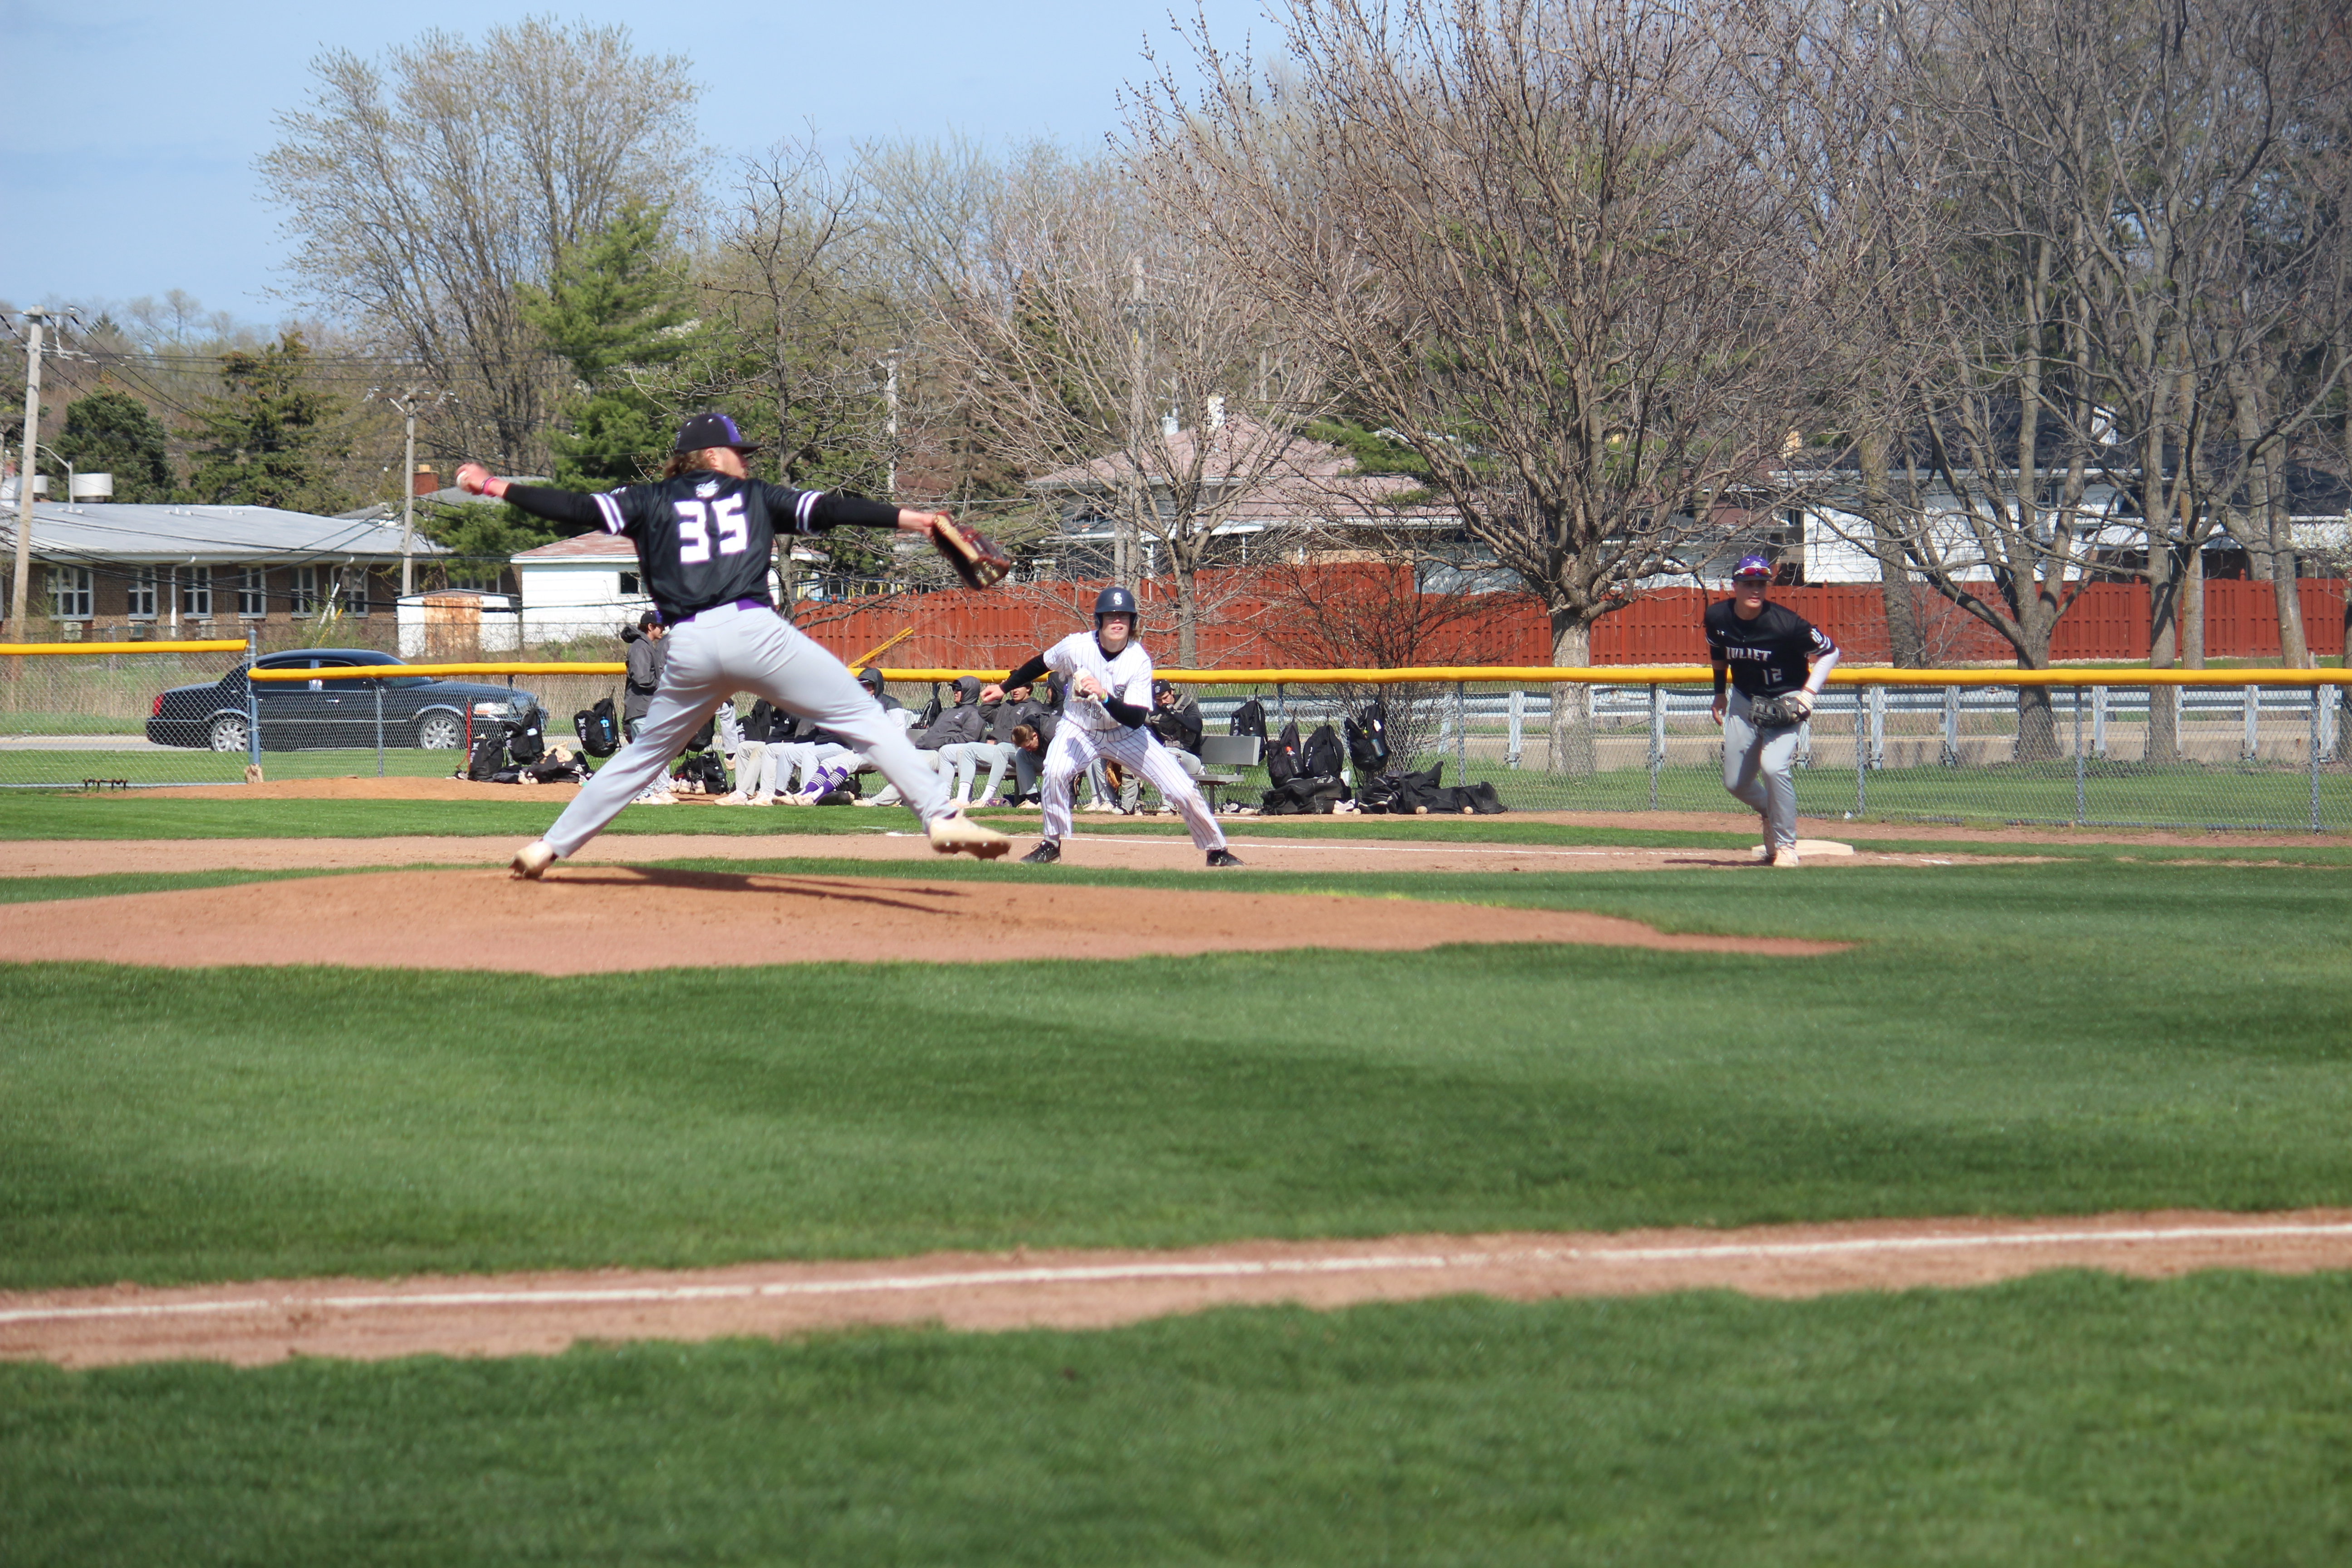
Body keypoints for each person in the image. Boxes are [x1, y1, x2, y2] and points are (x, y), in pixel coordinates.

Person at [462, 412, 1010, 875]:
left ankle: (549, 846)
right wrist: (913, 519)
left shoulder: (647, 500)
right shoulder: (754, 495)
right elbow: (832, 510)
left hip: (691, 643)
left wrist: (493, 486)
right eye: (738, 452)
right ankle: (939, 816)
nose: (746, 460)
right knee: (862, 718)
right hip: (756, 632)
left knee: (646, 754)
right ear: (712, 456)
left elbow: (573, 509)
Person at [984, 585, 1241, 868]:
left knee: (1182, 789)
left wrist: (1105, 695)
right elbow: (1040, 664)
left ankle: (1216, 851)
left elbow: (1134, 718)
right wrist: (1004, 687)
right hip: (1079, 727)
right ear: (1100, 621)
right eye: (1110, 616)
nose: (1117, 621)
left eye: (1124, 616)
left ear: (1133, 623)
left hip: (1125, 733)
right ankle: (1051, 844)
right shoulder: (1076, 646)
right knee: (1055, 771)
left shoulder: (1138, 660)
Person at [1707, 554, 1839, 868]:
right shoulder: (1717, 616)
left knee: (1774, 766)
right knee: (1735, 784)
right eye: (1749, 583)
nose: (1756, 589)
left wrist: (1808, 694)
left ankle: (1786, 846)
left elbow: (1831, 652)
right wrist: (1719, 694)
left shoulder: (1785, 624)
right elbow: (1718, 653)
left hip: (1785, 701)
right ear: (1735, 586)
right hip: (1743, 700)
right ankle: (1772, 810)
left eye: (1762, 584)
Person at [1121, 677, 1206, 812]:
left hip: (1191, 759)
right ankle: (1129, 806)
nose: (1163, 702)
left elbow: (1197, 727)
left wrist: (1173, 713)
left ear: (1172, 692)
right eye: (1158, 700)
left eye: (1165, 698)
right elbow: (1151, 734)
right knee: (1133, 757)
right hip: (1168, 754)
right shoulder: (1154, 710)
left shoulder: (1187, 705)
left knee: (1169, 754)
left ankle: (1170, 805)